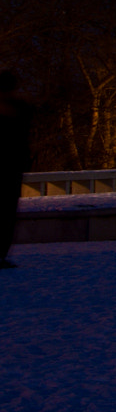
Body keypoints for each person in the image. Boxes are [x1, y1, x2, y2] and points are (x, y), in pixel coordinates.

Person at [0, 72, 33, 268]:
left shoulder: (20, 110)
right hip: (12, 167)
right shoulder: (21, 110)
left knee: (7, 212)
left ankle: (1, 254)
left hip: (11, 167)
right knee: (6, 212)